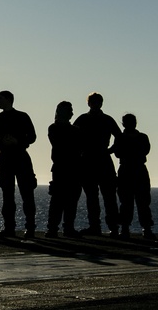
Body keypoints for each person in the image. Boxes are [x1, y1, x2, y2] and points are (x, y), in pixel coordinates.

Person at [0, 90, 38, 240]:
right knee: (7, 195)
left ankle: (30, 228)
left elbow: (33, 136)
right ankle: (9, 227)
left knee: (27, 194)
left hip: (21, 157)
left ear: (9, 99)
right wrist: (2, 142)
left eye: (0, 99)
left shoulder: (22, 117)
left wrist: (18, 142)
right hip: (5, 159)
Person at [74, 92, 121, 237]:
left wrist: (109, 151)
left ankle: (107, 227)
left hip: (95, 159)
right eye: (94, 102)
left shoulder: (84, 119)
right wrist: (110, 151)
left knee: (105, 196)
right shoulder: (103, 119)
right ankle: (102, 226)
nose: (95, 105)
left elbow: (119, 137)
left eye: (97, 102)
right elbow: (119, 137)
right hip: (94, 160)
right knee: (98, 196)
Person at [112, 113, 154, 240]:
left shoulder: (122, 138)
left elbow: (118, 153)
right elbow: (144, 150)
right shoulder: (141, 137)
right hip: (135, 169)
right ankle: (142, 229)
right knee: (135, 201)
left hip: (129, 170)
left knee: (134, 201)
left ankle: (128, 229)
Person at [46, 101, 82, 238]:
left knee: (67, 200)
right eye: (70, 110)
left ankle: (62, 228)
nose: (72, 112)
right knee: (60, 200)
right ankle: (57, 228)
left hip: (68, 168)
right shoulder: (58, 129)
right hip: (64, 168)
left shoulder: (58, 129)